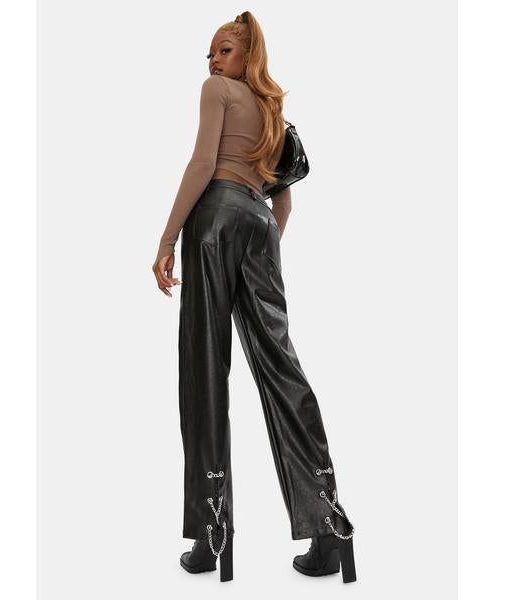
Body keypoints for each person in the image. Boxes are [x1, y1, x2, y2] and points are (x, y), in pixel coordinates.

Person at [151, 11, 356, 584]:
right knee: (281, 368)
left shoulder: (216, 93)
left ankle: (212, 531)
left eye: (223, 50)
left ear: (247, 55)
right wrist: (260, 251)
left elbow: (202, 164)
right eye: (210, 54)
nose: (213, 62)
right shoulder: (274, 114)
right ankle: (328, 525)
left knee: (205, 369)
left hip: (215, 218)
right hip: (258, 225)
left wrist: (167, 241)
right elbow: (282, 202)